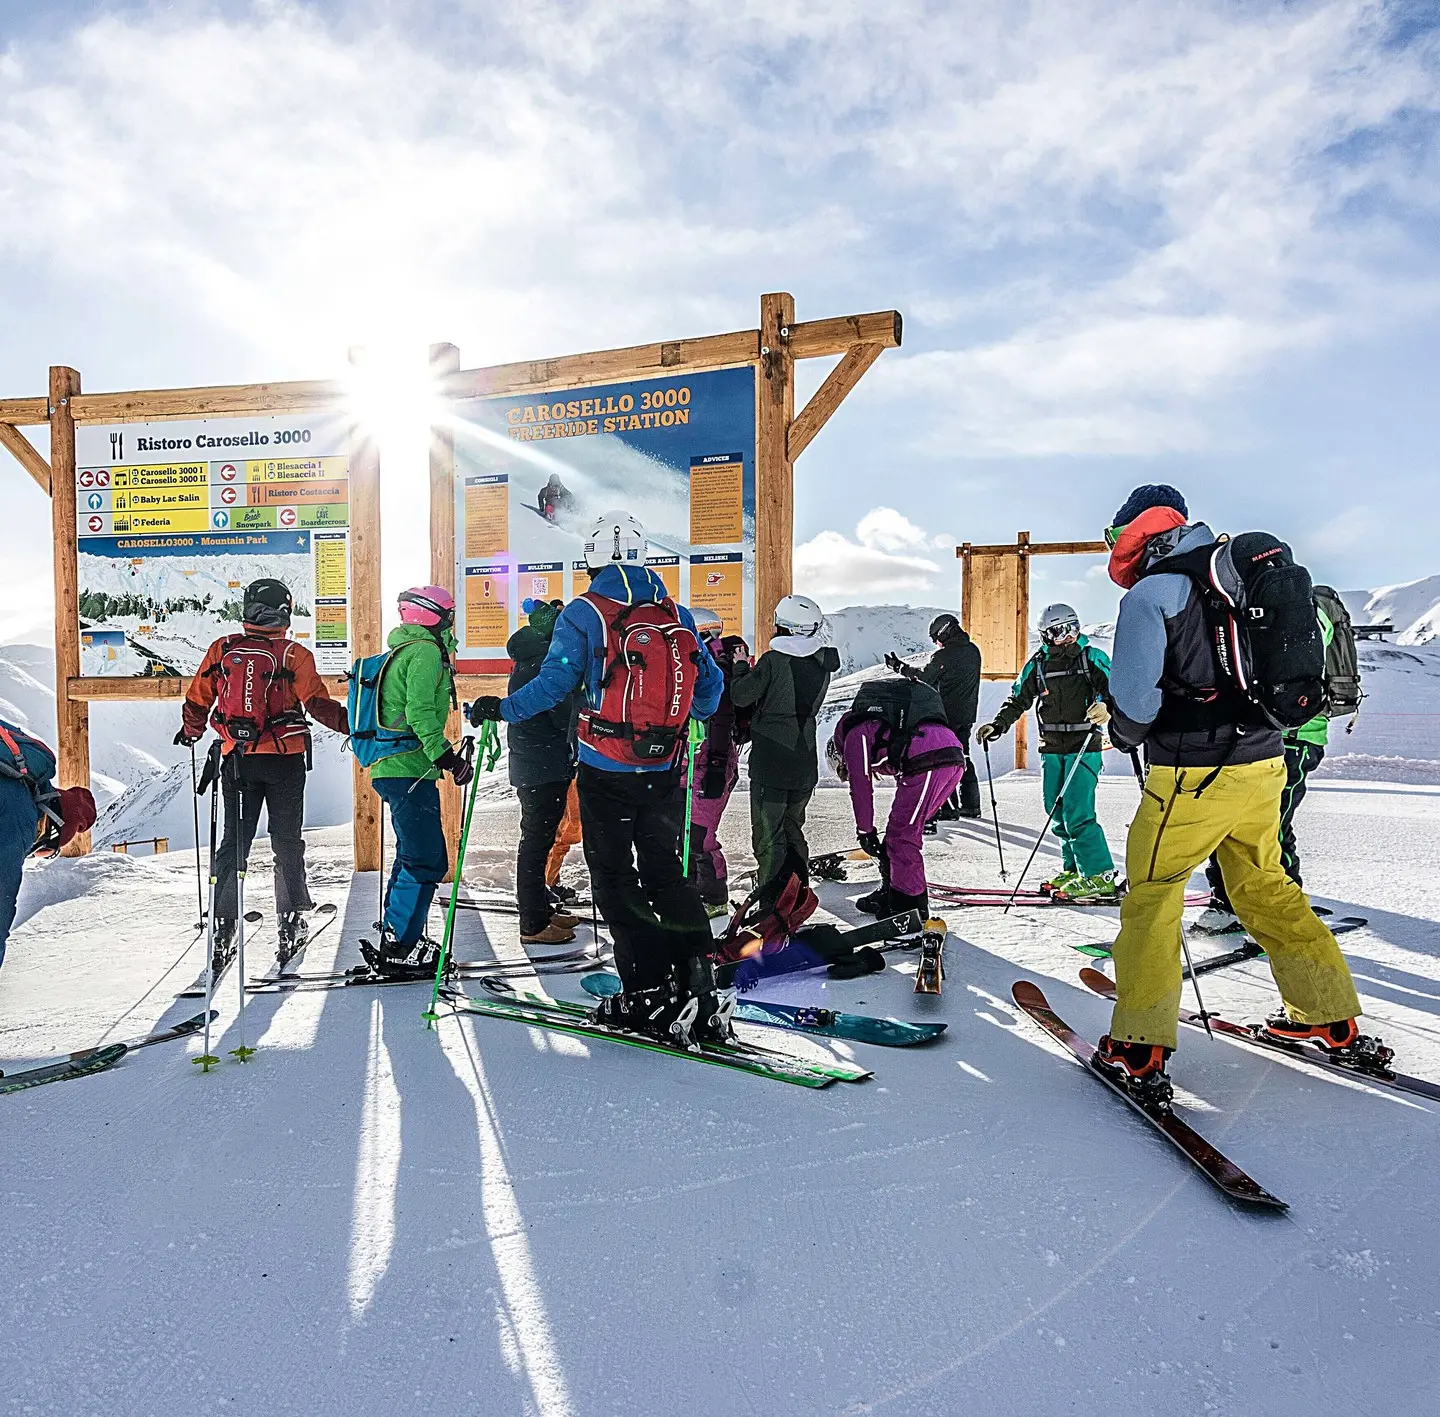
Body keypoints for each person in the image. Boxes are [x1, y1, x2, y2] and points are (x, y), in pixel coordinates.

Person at [1097, 484, 1383, 1103]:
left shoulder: (1154, 594)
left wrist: (1121, 730)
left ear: (1131, 539)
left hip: (1191, 775)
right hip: (1264, 764)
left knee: (1152, 893)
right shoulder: (1240, 579)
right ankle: (1328, 1012)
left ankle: (1139, 1046)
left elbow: (1138, 703)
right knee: (1265, 885)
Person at [469, 512, 725, 1045]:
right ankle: (699, 984)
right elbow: (709, 691)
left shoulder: (585, 612)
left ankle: (646, 990)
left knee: (613, 877)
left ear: (592, 559)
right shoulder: (671, 611)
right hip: (664, 765)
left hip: (605, 766)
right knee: (667, 874)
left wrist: (503, 709)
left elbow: (555, 681)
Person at [176, 579, 348, 970]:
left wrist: (191, 731)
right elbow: (318, 704)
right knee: (286, 841)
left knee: (233, 844)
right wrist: (355, 725)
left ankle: (224, 930)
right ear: (285, 612)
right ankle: (290, 925)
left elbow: (199, 698)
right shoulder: (294, 655)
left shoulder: (223, 649)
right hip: (285, 761)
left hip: (238, 759)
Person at [1196, 599, 1336, 934]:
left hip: (1295, 737)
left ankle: (1286, 907)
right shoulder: (1246, 611)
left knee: (1272, 826)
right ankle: (1229, 902)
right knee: (1229, 824)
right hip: (1253, 738)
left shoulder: (1305, 613)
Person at [361, 585, 475, 979]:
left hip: (398, 768)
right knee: (427, 858)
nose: (452, 620)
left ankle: (398, 936)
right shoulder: (425, 652)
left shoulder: (405, 649)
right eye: (449, 612)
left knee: (415, 853)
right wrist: (446, 757)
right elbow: (421, 711)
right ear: (430, 615)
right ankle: (403, 948)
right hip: (409, 768)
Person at [975, 603, 1117, 898]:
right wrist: (998, 726)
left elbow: (1116, 690)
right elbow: (1018, 699)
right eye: (1059, 631)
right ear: (1045, 635)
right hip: (1052, 747)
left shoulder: (1093, 658)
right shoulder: (1038, 664)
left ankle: (1099, 874)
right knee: (1057, 810)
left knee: (1079, 812)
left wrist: (1107, 707)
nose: (1067, 636)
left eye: (1072, 628)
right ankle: (1075, 868)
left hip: (1084, 744)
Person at [729, 594, 840, 904]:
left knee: (768, 836)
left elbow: (741, 695)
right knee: (793, 830)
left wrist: (739, 667)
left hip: (772, 760)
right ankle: (797, 893)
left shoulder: (773, 661)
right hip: (804, 760)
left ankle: (773, 902)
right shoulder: (822, 662)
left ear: (784, 627)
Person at [829, 683, 968, 922]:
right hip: (948, 756)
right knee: (900, 833)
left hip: (930, 760)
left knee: (902, 836)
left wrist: (865, 831)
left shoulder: (854, 735)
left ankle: (908, 908)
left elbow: (860, 787)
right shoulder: (877, 726)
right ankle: (894, 893)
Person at [506, 598, 580, 946]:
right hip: (543, 765)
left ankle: (540, 911)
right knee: (536, 844)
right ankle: (533, 923)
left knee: (539, 841)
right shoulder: (542, 665)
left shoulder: (529, 658)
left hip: (536, 762)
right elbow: (561, 715)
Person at [0, 719, 96, 971]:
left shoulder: (14, 773)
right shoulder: (19, 815)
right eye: (43, 850)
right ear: (48, 826)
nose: (32, 852)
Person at [687, 606, 751, 916]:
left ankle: (714, 898)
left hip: (713, 762)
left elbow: (721, 719)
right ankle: (690, 893)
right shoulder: (701, 663)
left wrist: (714, 764)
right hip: (692, 762)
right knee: (684, 834)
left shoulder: (716, 667)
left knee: (699, 836)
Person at [889, 613, 982, 820]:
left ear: (944, 632)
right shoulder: (973, 651)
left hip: (946, 716)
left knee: (944, 758)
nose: (935, 642)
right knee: (963, 755)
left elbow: (924, 678)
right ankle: (971, 804)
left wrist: (899, 667)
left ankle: (948, 809)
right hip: (967, 714)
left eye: (935, 638)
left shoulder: (944, 656)